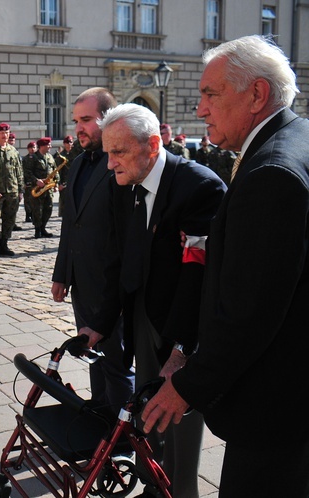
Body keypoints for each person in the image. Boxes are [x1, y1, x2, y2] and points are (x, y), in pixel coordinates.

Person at [141, 35, 309, 498]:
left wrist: (187, 386)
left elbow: (251, 312)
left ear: (256, 94)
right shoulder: (296, 138)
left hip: (275, 407)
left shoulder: (272, 170)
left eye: (210, 94)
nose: (200, 109)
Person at [100, 103, 226, 498]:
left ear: (153, 144)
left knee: (179, 424)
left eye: (118, 151)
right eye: (107, 152)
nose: (109, 163)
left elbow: (199, 276)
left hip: (182, 327)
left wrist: (183, 350)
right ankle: (152, 488)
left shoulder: (199, 187)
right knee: (147, 417)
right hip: (143, 317)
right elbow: (122, 257)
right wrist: (104, 321)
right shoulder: (124, 181)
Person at [52, 88, 133, 416]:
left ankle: (125, 435)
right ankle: (101, 414)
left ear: (108, 118)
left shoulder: (121, 166)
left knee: (116, 364)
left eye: (86, 120)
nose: (79, 128)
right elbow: (71, 223)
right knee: (92, 356)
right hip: (82, 284)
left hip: (110, 285)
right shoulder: (78, 164)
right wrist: (62, 273)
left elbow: (125, 236)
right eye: (76, 121)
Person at [0, 123, 24, 257]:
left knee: (9, 219)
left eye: (7, 133)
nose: (5, 135)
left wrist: (21, 190)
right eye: (2, 133)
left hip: (12, 190)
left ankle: (4, 244)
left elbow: (19, 171)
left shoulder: (13, 151)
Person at [22, 137, 57, 238]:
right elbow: (27, 171)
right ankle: (38, 230)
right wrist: (36, 180)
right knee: (37, 210)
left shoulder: (50, 157)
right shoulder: (33, 158)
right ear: (42, 146)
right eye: (48, 145)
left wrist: (56, 182)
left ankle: (43, 228)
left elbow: (55, 170)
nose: (50, 146)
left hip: (48, 188)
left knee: (48, 208)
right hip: (37, 188)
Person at [22, 141, 37, 223]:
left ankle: (34, 215)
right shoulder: (25, 159)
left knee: (35, 200)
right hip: (28, 182)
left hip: (36, 182)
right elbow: (22, 171)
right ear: (28, 149)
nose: (32, 149)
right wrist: (23, 182)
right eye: (31, 147)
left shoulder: (38, 158)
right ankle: (28, 215)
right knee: (27, 200)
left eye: (34, 147)